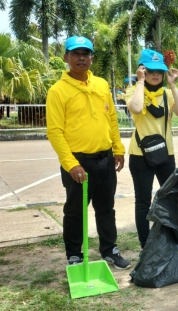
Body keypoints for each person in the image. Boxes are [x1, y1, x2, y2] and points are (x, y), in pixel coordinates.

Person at [45, 36, 130, 269]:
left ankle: (110, 250)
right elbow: (54, 131)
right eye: (75, 53)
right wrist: (71, 164)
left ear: (92, 58)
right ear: (66, 57)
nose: (81, 58)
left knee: (106, 208)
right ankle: (74, 255)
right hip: (78, 162)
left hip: (105, 159)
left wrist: (118, 148)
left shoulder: (101, 85)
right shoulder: (58, 91)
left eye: (85, 53)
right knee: (75, 211)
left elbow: (111, 117)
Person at [126, 49, 178, 248]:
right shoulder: (134, 90)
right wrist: (140, 81)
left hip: (165, 155)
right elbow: (136, 108)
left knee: (170, 198)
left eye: (159, 71)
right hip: (140, 155)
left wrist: (172, 85)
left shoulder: (167, 94)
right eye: (150, 70)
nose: (155, 75)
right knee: (143, 201)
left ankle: (172, 239)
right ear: (142, 70)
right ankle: (146, 244)